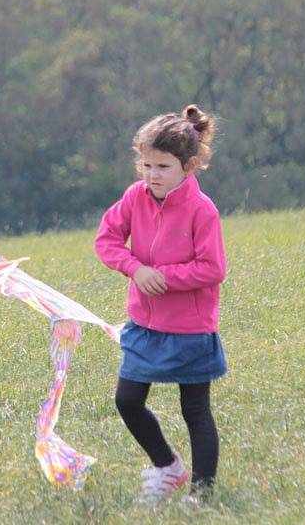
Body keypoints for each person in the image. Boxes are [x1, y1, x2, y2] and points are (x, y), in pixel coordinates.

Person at [94, 105, 227, 505]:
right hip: (144, 327)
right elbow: (107, 241)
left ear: (189, 166)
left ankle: (201, 494)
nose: (152, 174)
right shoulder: (135, 197)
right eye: (146, 164)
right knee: (127, 400)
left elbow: (213, 268)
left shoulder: (203, 211)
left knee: (196, 413)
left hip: (190, 331)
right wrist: (135, 269)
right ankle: (167, 467)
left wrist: (164, 277)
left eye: (162, 166)